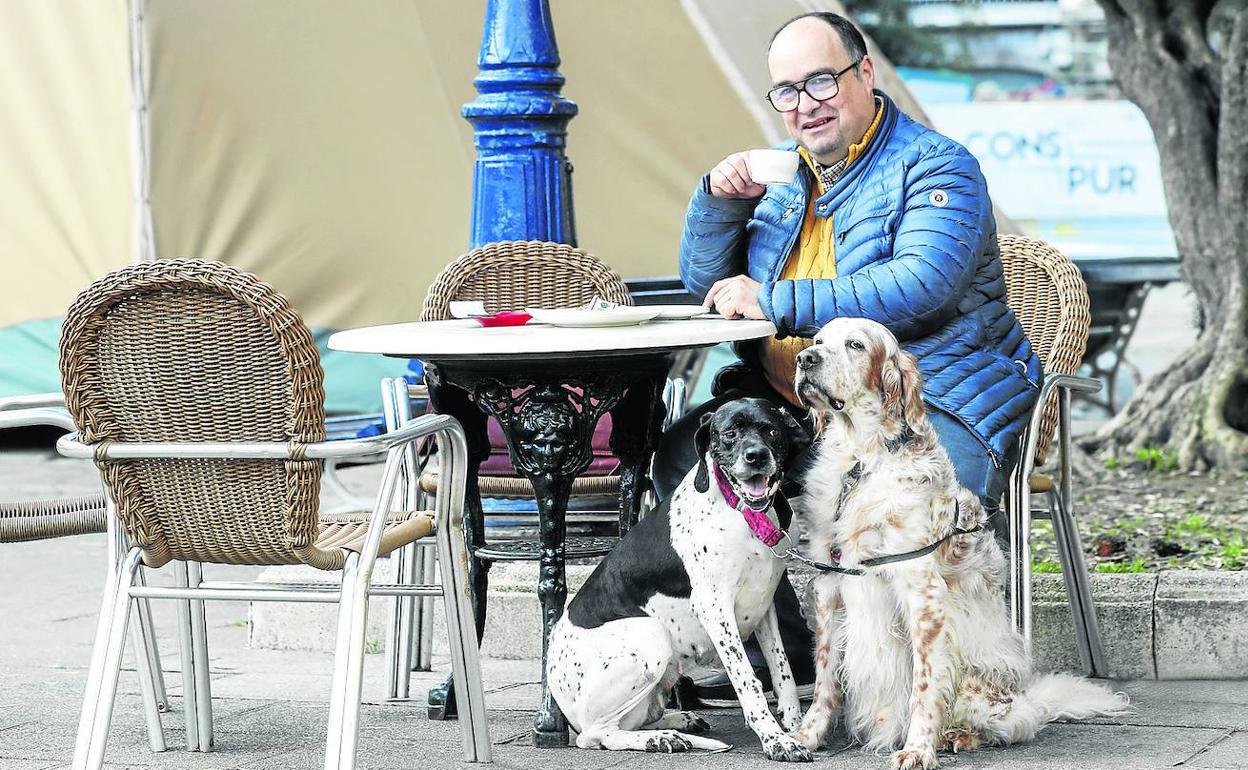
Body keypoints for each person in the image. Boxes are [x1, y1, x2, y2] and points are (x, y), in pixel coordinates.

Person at [652, 11, 1042, 707]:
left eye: (822, 80)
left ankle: (948, 687)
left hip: (924, 396)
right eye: (788, 91)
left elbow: (923, 283)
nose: (805, 105)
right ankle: (795, 655)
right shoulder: (782, 177)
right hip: (798, 405)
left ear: (866, 72)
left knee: (910, 505)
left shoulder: (937, 165)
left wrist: (776, 298)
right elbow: (704, 282)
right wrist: (717, 202)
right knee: (687, 457)